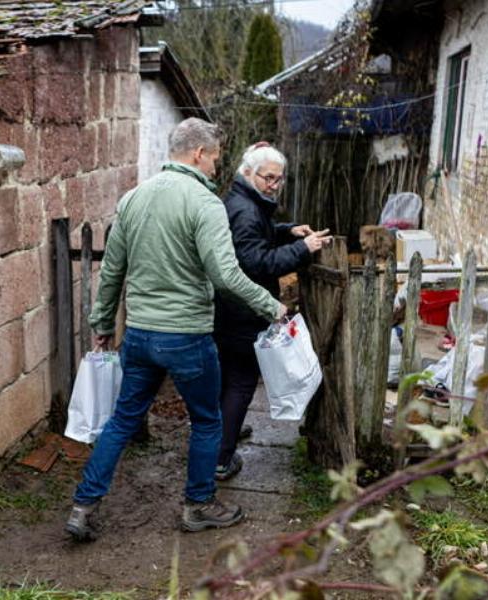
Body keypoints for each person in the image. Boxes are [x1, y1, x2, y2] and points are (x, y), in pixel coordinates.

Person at [65, 118, 287, 542]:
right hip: (186, 337)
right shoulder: (204, 204)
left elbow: (112, 270)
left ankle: (83, 505)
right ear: (199, 153)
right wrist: (270, 304)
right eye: (216, 157)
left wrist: (101, 324)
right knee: (207, 421)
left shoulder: (134, 198)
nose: (217, 166)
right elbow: (226, 275)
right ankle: (199, 505)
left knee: (122, 421)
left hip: (141, 336)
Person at [212, 142, 330, 480]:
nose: (274, 185)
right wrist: (302, 249)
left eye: (278, 179)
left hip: (229, 309)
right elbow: (256, 263)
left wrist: (287, 231)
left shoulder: (244, 201)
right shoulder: (246, 211)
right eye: (268, 178)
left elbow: (258, 238)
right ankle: (221, 459)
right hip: (241, 312)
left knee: (228, 379)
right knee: (241, 383)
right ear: (248, 173)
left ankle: (223, 436)